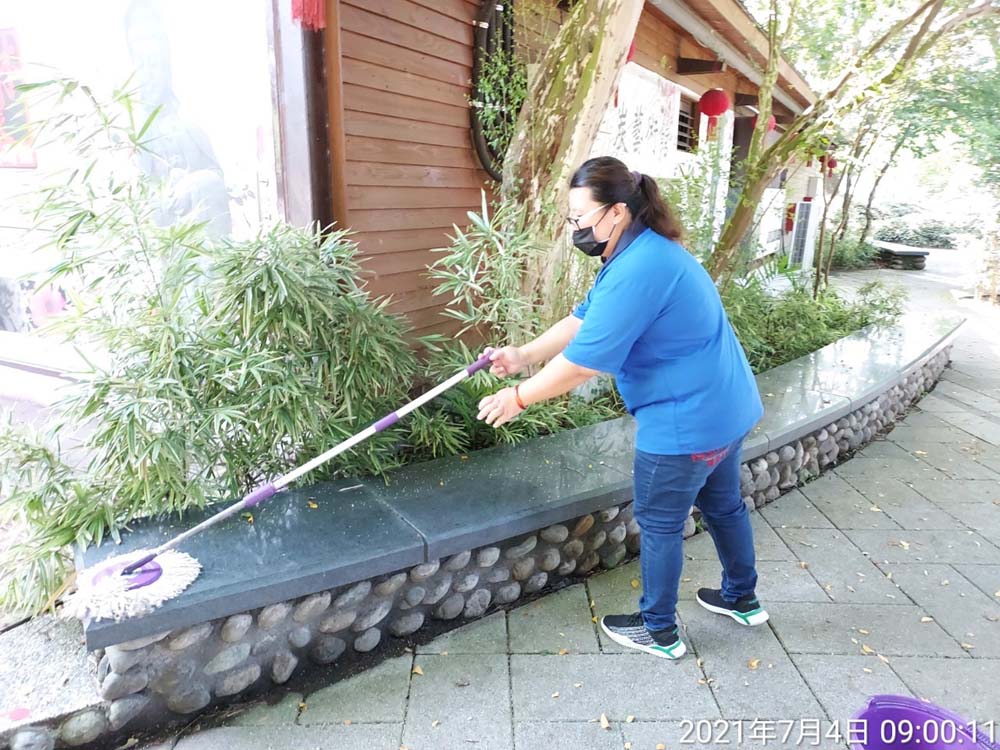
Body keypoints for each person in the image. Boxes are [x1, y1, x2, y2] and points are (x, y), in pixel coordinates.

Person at [476, 156, 767, 660]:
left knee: (659, 523)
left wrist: (518, 397)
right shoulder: (644, 252)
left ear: (616, 212)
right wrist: (523, 355)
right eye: (570, 218)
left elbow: (583, 364)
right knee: (724, 506)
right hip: (726, 410)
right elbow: (582, 320)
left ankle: (659, 630)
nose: (574, 228)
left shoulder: (639, 269)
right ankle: (742, 598)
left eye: (580, 217)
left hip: (684, 424)